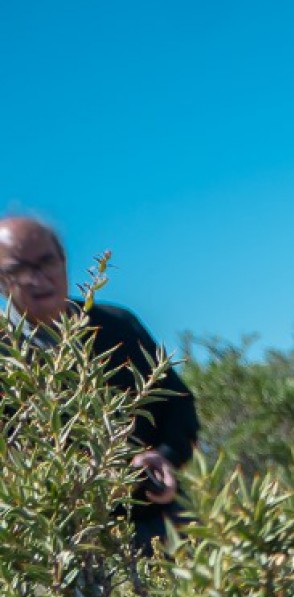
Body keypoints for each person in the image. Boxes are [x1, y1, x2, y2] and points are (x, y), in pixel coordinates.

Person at [0, 215, 200, 552]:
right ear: (2, 281)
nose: (38, 277)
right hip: (58, 544)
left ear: (63, 260)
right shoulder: (6, 356)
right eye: (19, 269)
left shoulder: (117, 326)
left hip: (157, 519)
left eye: (47, 261)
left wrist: (164, 457)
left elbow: (179, 406)